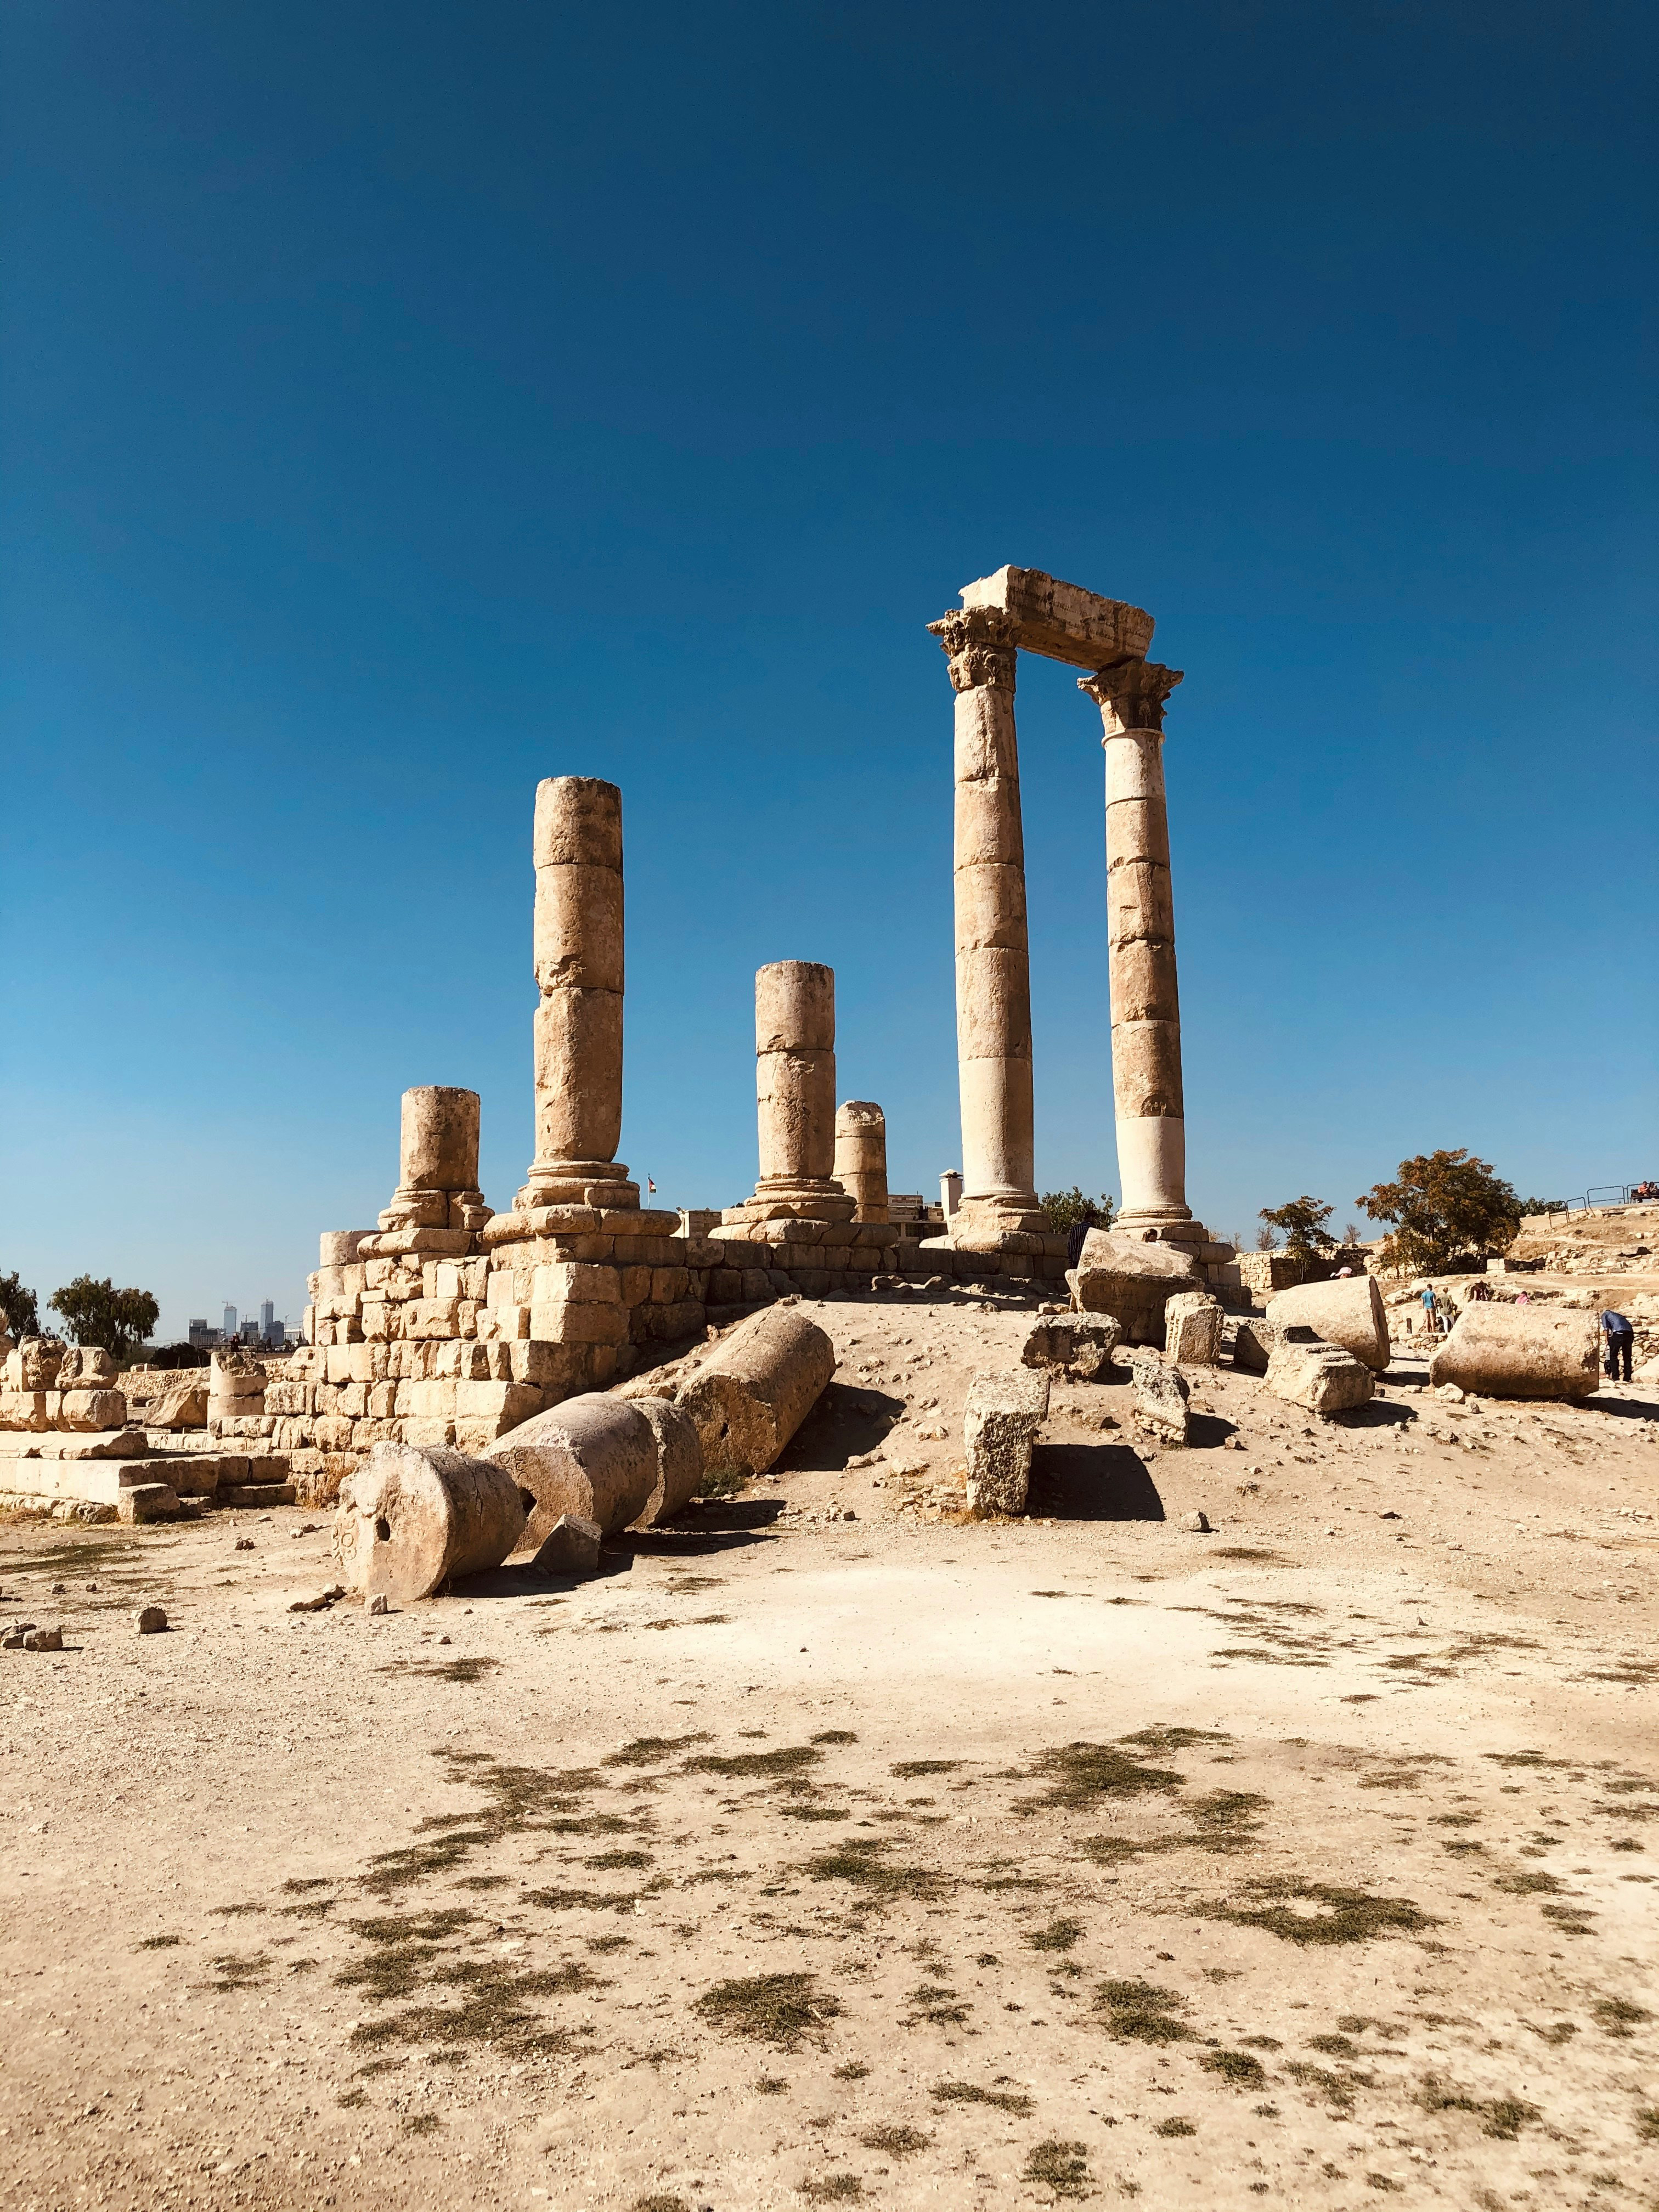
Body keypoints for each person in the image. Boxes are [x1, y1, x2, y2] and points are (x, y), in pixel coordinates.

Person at [1602, 1310, 1635, 1383]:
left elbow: (1606, 1329)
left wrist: (1607, 1341)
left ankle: (1615, 1377)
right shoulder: (1619, 1316)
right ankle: (1627, 1378)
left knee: (1613, 1355)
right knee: (1627, 1357)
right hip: (1629, 1334)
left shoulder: (1605, 1315)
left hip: (1618, 1333)